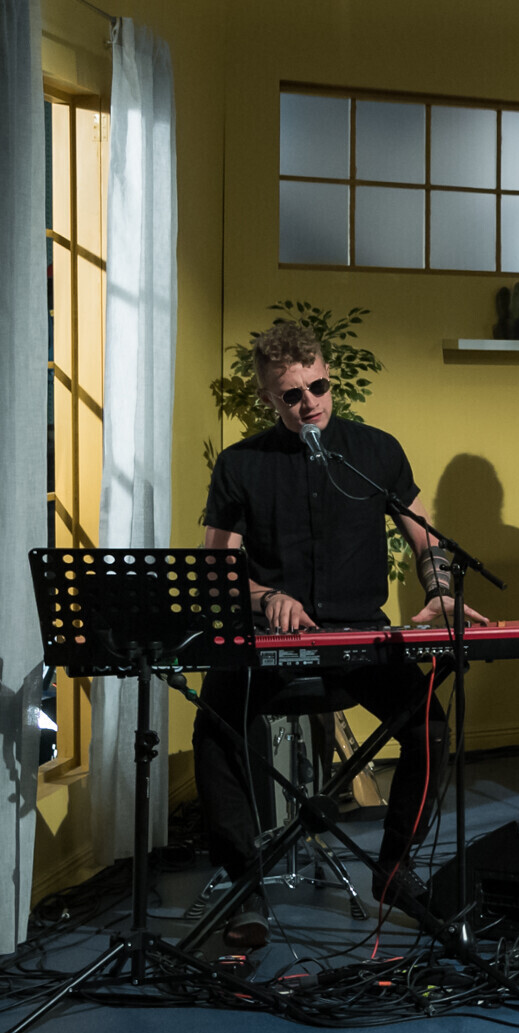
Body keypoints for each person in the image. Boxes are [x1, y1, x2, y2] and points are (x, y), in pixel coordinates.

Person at [195, 321, 483, 949]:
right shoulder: (242, 464)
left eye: (318, 387)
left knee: (428, 728)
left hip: (358, 637)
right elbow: (218, 573)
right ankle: (244, 883)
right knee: (216, 727)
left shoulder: (375, 452)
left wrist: (439, 589)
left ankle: (394, 868)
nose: (310, 403)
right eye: (292, 395)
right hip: (272, 642)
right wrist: (267, 597)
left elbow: (425, 539)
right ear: (269, 400)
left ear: (330, 378)